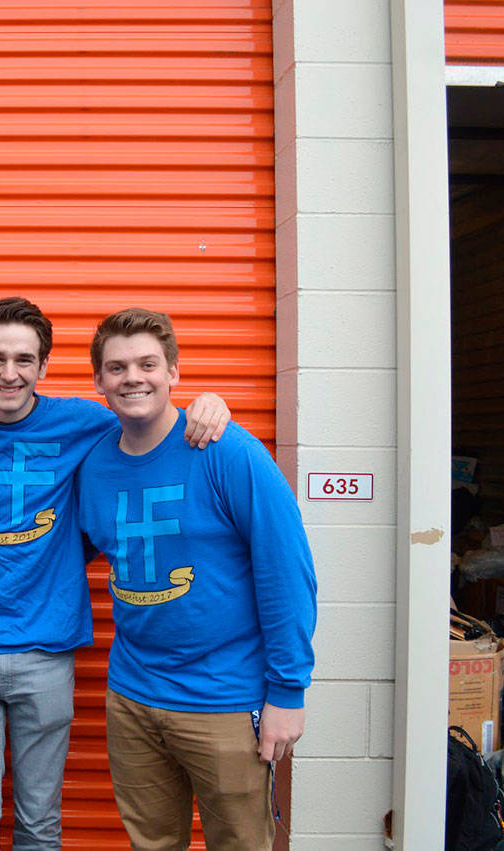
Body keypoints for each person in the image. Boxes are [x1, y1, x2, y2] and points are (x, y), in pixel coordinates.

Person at [0, 298, 229, 851]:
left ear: (44, 366)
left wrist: (209, 404)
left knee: (40, 823)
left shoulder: (85, 422)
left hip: (46, 653)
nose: (10, 373)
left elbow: (152, 416)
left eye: (25, 359)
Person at [76, 307, 317, 851]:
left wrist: (288, 690)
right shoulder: (93, 466)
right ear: (98, 382)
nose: (133, 378)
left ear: (174, 372)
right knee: (151, 844)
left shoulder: (228, 452)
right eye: (117, 368)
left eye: (147, 364)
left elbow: (287, 572)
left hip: (224, 700)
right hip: (133, 697)